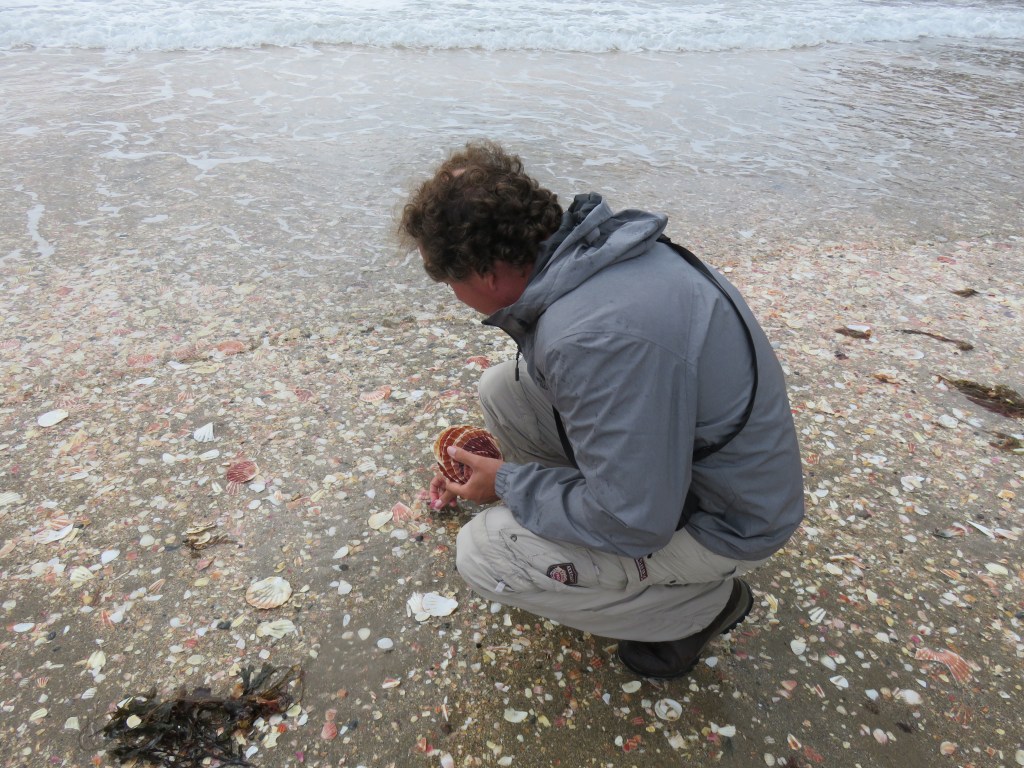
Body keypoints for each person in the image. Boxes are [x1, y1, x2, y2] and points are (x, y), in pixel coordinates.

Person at [399, 141, 804, 679]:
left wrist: (509, 485)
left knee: (483, 553)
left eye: (450, 281)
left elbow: (635, 522)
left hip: (730, 519)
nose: (453, 294)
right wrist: (511, 477)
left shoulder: (590, 335)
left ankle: (698, 608)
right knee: (501, 387)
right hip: (698, 468)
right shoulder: (601, 255)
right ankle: (581, 525)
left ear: (487, 271)